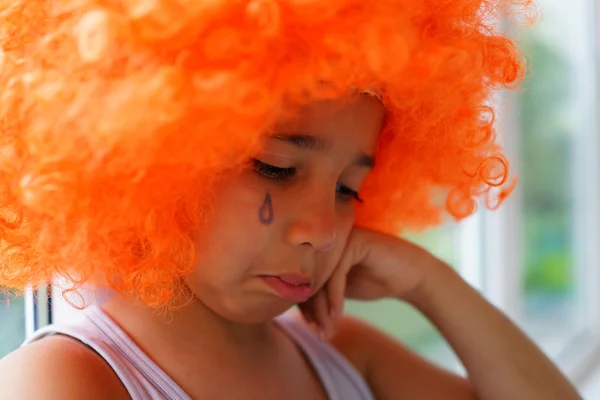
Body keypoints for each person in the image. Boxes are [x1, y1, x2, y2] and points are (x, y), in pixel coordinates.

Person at [0, 0, 582, 399]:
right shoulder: (65, 379)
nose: (322, 228)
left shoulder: (344, 356)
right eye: (275, 168)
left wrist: (430, 283)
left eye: (348, 188)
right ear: (147, 157)